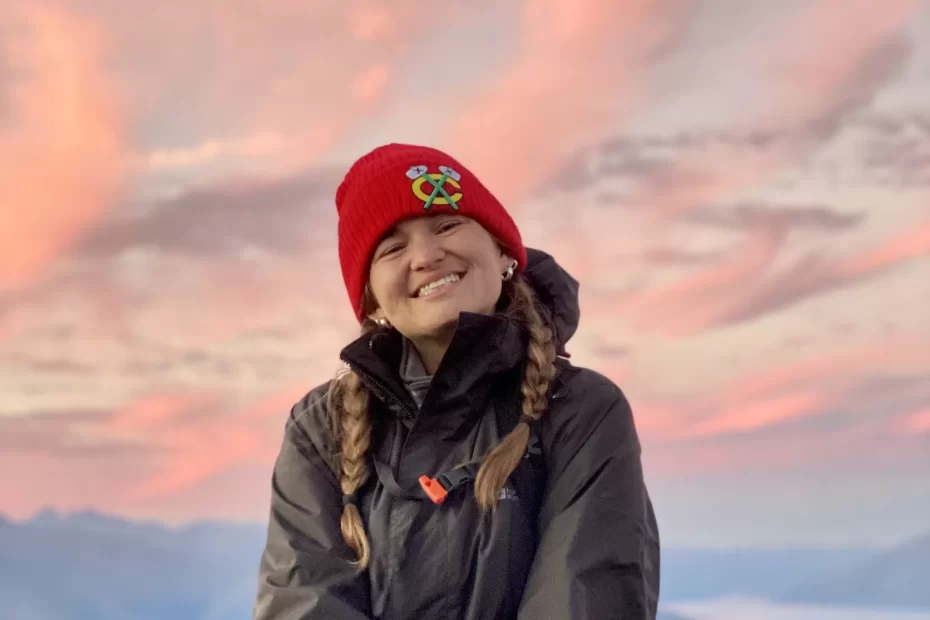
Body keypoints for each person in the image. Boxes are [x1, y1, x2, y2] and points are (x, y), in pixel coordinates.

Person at [252, 143, 660, 620]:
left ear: (503, 251)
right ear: (373, 302)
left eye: (447, 224)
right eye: (392, 247)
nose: (427, 255)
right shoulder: (321, 430)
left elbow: (587, 596)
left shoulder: (581, 409)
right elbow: (303, 603)